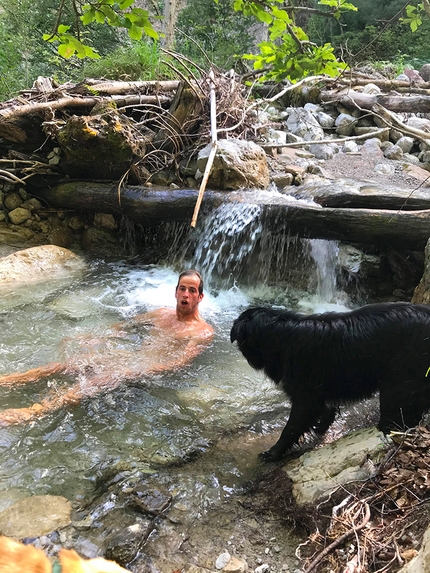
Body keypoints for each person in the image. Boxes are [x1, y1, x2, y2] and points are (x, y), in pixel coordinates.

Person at [0, 269, 214, 427]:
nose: (186, 294)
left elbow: (179, 364)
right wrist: (93, 337)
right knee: (65, 366)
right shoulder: (160, 314)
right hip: (129, 356)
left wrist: (137, 371)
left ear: (200, 297)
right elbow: (123, 327)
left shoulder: (202, 332)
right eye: (182, 289)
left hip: (145, 370)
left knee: (93, 381)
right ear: (175, 292)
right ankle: (8, 380)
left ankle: (32, 412)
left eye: (192, 290)